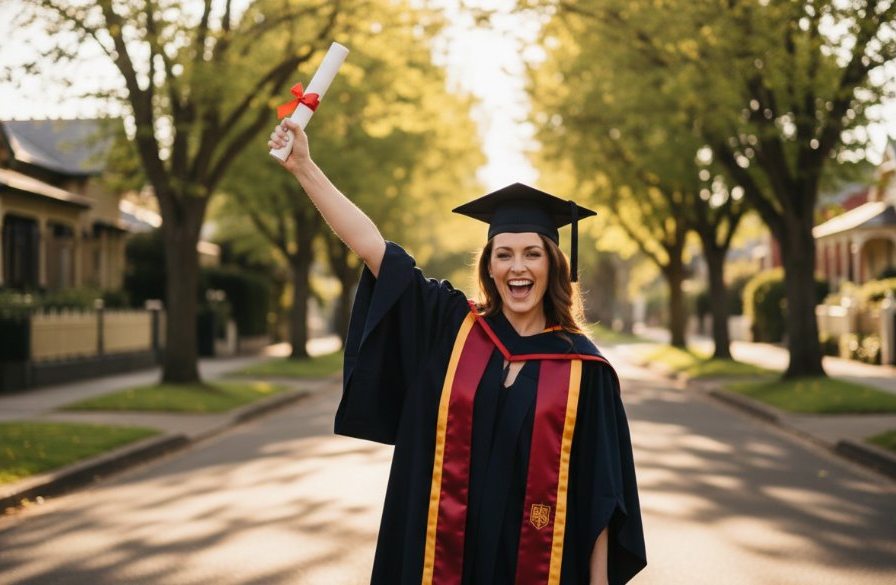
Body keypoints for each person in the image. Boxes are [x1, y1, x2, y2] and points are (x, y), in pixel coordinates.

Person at [268, 119, 646, 585]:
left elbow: (602, 496)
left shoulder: (584, 370)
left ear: (553, 263)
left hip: (533, 565)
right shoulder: (452, 326)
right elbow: (374, 250)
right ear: (488, 265)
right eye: (503, 254)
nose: (517, 267)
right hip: (437, 559)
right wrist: (305, 167)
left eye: (532, 253)